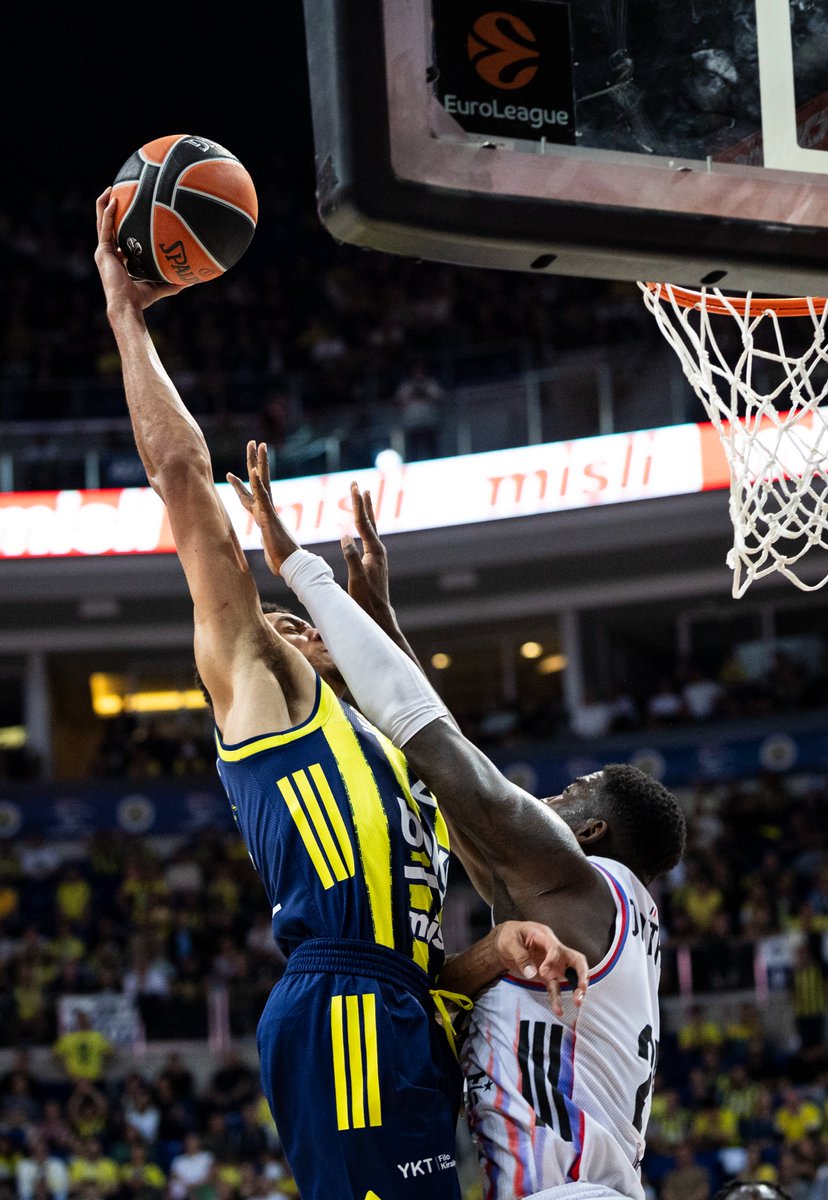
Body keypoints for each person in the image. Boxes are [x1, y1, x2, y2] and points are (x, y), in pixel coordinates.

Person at [93, 190, 587, 1200]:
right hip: (344, 1013)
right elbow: (186, 482)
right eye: (276, 621)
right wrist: (126, 315)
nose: (283, 629)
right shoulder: (267, 691)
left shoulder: (387, 753)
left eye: (300, 624)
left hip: (403, 1004)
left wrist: (492, 946)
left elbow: (420, 718)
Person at [229, 450, 687, 1200]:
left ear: (596, 832)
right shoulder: (600, 911)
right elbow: (452, 764)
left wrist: (299, 568)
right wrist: (377, 615)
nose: (548, 800)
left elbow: (439, 747)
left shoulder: (575, 881)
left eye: (573, 793)